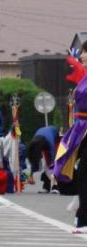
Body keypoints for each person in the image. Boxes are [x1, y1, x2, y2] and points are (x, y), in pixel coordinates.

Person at [54, 46, 87, 233]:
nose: (82, 55)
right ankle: (80, 205)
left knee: (84, 172)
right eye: (81, 52)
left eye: (85, 52)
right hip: (81, 129)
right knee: (69, 167)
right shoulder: (84, 77)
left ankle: (83, 219)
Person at [27, 123, 59, 192]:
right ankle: (46, 186)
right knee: (46, 166)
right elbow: (33, 158)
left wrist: (52, 167)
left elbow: (53, 157)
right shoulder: (34, 143)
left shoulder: (50, 141)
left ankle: (56, 187)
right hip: (42, 139)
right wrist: (31, 175)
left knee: (50, 165)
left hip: (56, 137)